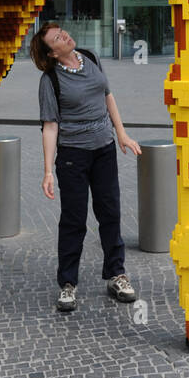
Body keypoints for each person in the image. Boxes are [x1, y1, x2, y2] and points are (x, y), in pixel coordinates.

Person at [30, 22, 140, 313]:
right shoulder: (50, 81)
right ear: (52, 53)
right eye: (57, 38)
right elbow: (50, 127)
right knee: (74, 220)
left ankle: (116, 274)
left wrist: (122, 134)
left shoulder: (90, 57)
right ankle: (68, 283)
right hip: (72, 156)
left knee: (110, 212)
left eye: (62, 32)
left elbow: (107, 96)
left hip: (103, 149)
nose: (64, 35)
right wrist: (47, 171)